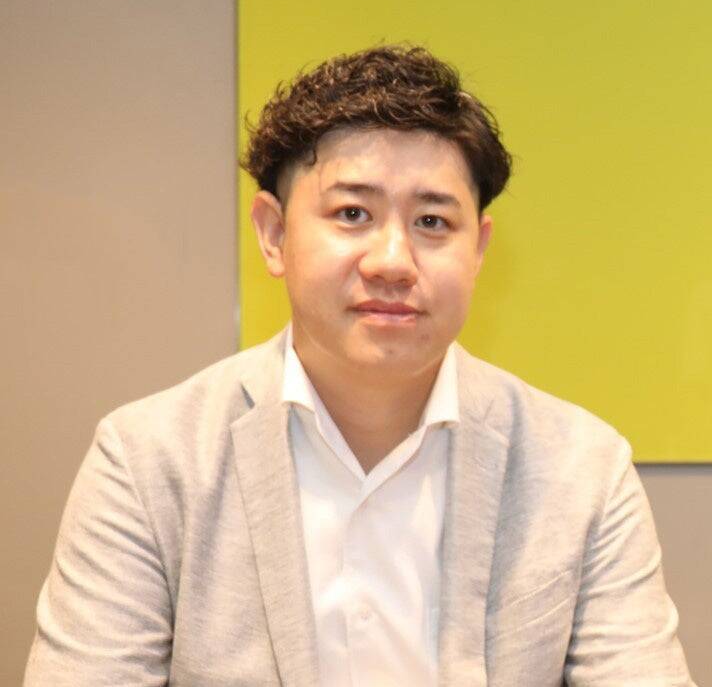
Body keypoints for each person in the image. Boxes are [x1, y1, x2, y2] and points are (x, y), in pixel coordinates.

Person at [24, 45, 695, 686]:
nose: (393, 262)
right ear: (275, 234)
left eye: (432, 222)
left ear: (479, 249)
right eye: (352, 213)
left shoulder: (583, 470)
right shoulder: (149, 462)